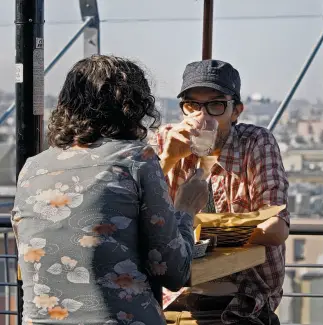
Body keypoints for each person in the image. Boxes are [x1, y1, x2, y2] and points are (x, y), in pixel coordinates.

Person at [11, 55, 208, 325]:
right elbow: (174, 272)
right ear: (134, 108)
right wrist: (186, 209)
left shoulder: (32, 168)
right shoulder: (136, 158)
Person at [152, 59, 290, 324]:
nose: (201, 117)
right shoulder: (167, 138)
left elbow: (277, 228)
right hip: (171, 297)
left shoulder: (254, 143)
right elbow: (140, 216)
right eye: (192, 105)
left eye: (215, 105)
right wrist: (168, 159)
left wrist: (203, 233)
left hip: (241, 298)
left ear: (236, 111)